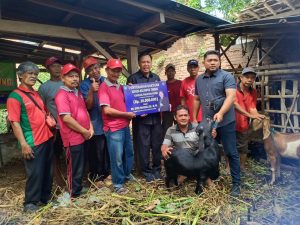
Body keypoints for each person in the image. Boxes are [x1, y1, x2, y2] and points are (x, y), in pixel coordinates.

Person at [7, 61, 54, 212]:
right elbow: (14, 122)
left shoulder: (35, 93)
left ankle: (44, 199)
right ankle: (30, 203)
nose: (33, 76)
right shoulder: (15, 96)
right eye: (30, 73)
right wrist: (23, 144)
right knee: (35, 172)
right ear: (20, 75)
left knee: (47, 170)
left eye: (35, 74)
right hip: (32, 141)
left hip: (46, 137)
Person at [193, 50, 241, 197]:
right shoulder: (199, 80)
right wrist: (194, 118)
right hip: (208, 123)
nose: (213, 62)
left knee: (231, 152)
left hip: (226, 122)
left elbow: (231, 97)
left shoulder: (227, 76)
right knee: (207, 151)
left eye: (215, 60)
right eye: (210, 60)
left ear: (219, 62)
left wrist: (220, 113)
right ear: (204, 62)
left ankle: (236, 184)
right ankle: (210, 178)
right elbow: (196, 99)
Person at [55, 63, 94, 198]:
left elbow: (85, 111)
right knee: (74, 166)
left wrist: (90, 127)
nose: (74, 79)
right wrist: (84, 131)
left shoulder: (77, 93)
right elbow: (66, 118)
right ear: (63, 78)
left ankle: (78, 188)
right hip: (72, 137)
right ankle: (73, 193)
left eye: (76, 76)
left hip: (83, 135)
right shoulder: (62, 95)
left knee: (81, 165)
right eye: (70, 76)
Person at [98, 58, 135, 194]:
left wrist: (131, 91)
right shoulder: (104, 87)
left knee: (128, 153)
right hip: (113, 128)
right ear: (107, 70)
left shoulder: (119, 86)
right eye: (113, 70)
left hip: (124, 126)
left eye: (118, 71)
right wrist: (126, 115)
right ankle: (118, 184)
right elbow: (107, 110)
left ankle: (126, 174)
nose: (116, 73)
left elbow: (127, 101)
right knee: (117, 157)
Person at [127, 53, 162, 182]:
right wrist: (138, 109)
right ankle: (146, 172)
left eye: (148, 62)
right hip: (141, 121)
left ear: (151, 63)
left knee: (157, 145)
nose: (146, 64)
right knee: (143, 146)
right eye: (143, 62)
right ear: (139, 64)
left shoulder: (156, 78)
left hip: (156, 119)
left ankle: (157, 169)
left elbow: (160, 97)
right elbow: (130, 102)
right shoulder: (133, 79)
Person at [79, 56, 110, 186]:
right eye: (90, 69)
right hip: (94, 124)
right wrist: (92, 90)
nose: (95, 71)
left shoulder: (106, 81)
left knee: (107, 151)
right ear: (87, 73)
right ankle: (96, 177)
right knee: (95, 152)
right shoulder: (84, 85)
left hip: (108, 123)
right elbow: (88, 106)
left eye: (96, 67)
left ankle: (107, 174)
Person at [38, 56, 64, 187]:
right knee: (56, 155)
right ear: (48, 69)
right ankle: (58, 181)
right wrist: (49, 125)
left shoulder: (68, 82)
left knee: (73, 154)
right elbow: (41, 108)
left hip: (71, 126)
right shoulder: (44, 88)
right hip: (56, 128)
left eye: (59, 65)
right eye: (54, 66)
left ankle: (74, 179)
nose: (57, 68)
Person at [233, 67, 265, 173]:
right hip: (231, 122)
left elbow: (252, 107)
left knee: (243, 146)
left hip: (243, 124)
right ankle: (228, 168)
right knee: (229, 146)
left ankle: (242, 167)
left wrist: (257, 116)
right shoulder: (233, 89)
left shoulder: (254, 92)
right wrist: (250, 115)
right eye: (247, 77)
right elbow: (235, 105)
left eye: (252, 78)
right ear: (241, 78)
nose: (250, 80)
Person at [162, 64, 182, 136]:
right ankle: (167, 145)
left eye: (172, 71)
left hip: (179, 111)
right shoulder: (163, 85)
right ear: (165, 73)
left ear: (175, 72)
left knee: (180, 129)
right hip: (167, 112)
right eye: (168, 71)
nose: (170, 73)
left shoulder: (180, 83)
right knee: (166, 130)